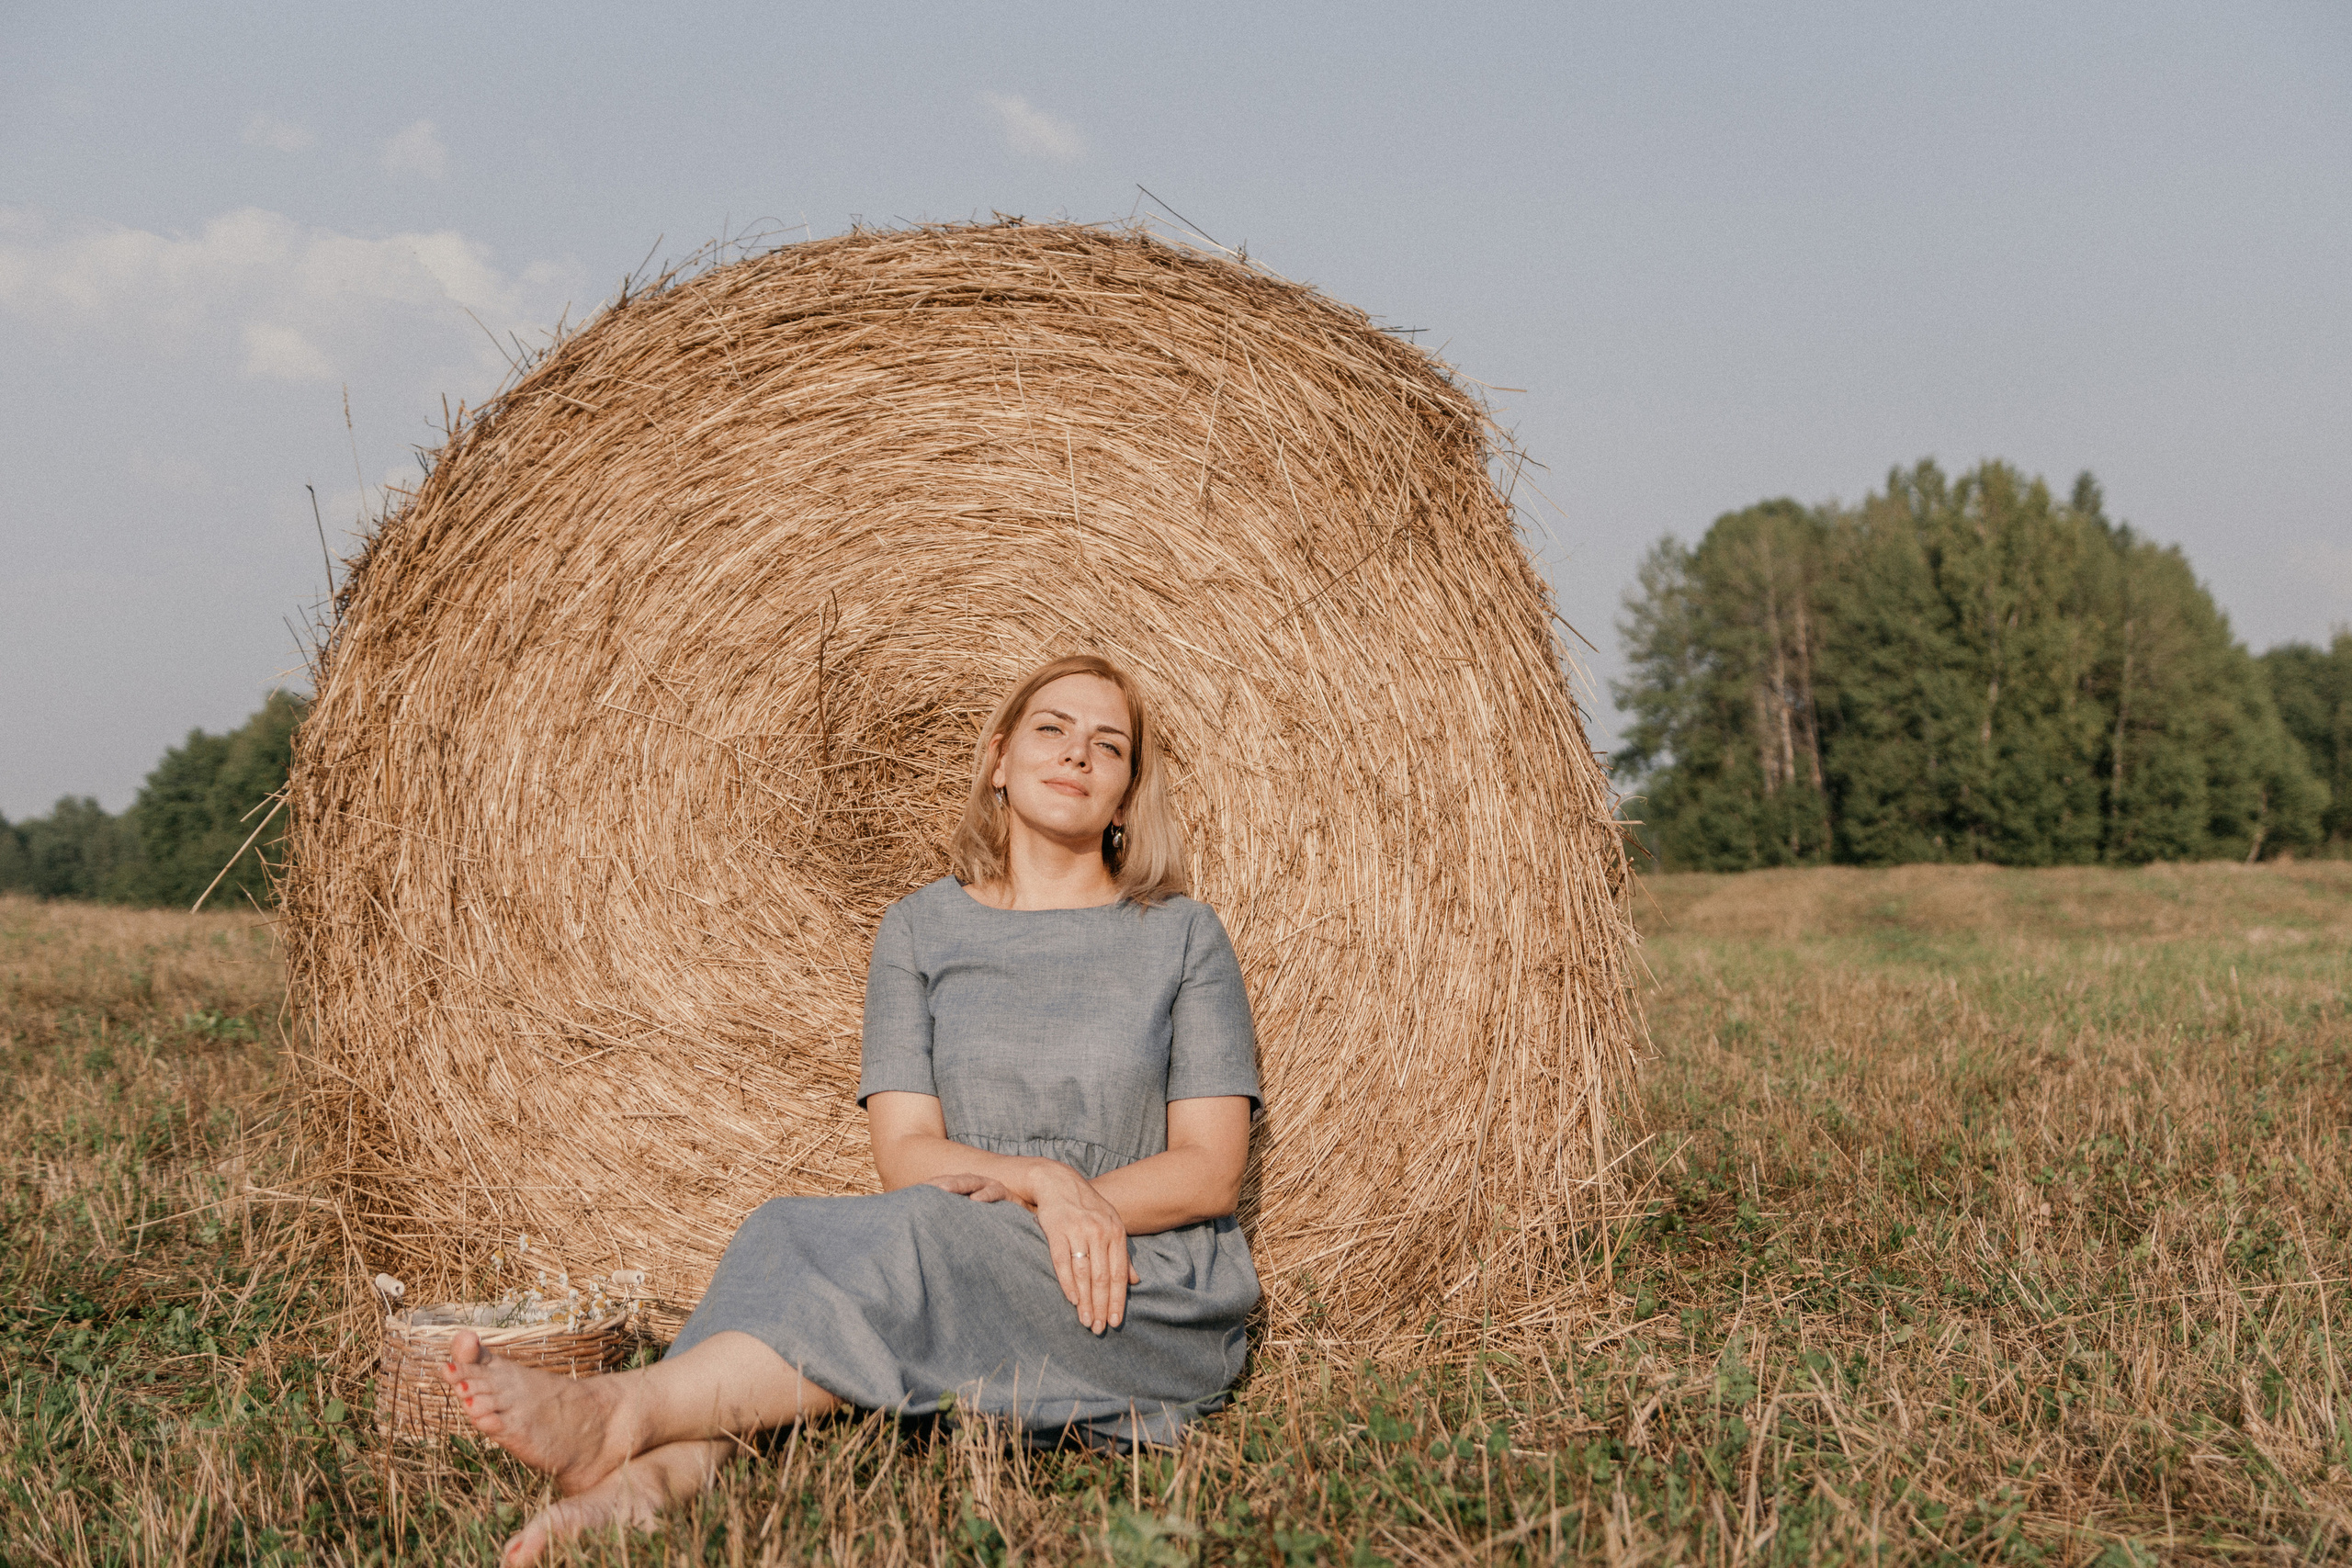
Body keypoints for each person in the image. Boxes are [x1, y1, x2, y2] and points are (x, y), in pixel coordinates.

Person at [435, 654, 1262, 1565]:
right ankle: (655, 1482)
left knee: (920, 1238)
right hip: (957, 1230)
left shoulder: (1182, 936)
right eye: (1051, 729)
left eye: (1108, 746)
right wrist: (1040, 1181)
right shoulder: (919, 929)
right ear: (996, 758)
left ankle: (623, 1409)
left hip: (1131, 1281)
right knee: (784, 1228)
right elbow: (906, 1152)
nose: (1077, 755)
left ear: (1125, 795)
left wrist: (1083, 1202)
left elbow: (1209, 1168)